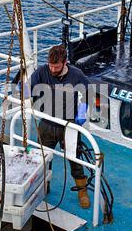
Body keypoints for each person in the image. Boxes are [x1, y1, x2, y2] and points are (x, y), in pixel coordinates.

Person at [29, 45, 92, 209]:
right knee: (42, 158)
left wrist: (82, 112)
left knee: (74, 160)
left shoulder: (76, 74)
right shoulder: (42, 72)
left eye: (56, 66)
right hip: (47, 124)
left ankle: (82, 191)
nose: (52, 69)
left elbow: (88, 92)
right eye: (50, 65)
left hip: (69, 125)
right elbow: (31, 89)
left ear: (65, 63)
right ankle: (44, 187)